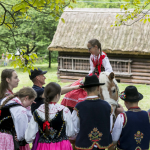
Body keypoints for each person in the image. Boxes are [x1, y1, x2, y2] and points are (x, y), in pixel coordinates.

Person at [61, 39, 113, 110]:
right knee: (79, 85)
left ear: (95, 47)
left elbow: (109, 70)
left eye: (89, 48)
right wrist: (88, 77)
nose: (88, 51)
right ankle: (72, 104)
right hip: (94, 75)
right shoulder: (92, 56)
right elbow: (92, 69)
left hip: (102, 77)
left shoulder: (103, 57)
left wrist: (103, 77)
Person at [25, 82, 75, 150]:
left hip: (43, 146)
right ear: (57, 95)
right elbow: (70, 133)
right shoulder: (64, 111)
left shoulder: (37, 111)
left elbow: (29, 137)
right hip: (62, 146)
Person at [72, 74, 113, 150]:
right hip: (101, 145)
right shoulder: (107, 106)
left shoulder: (79, 107)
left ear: (85, 89)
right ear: (98, 87)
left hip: (84, 144)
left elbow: (75, 129)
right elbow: (109, 128)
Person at [0, 69, 32, 150]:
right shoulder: (8, 98)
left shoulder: (10, 96)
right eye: (15, 77)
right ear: (8, 80)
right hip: (9, 137)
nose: (18, 80)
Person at [111, 86, 150, 150]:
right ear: (138, 100)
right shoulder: (147, 115)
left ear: (125, 102)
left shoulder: (122, 117)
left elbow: (114, 139)